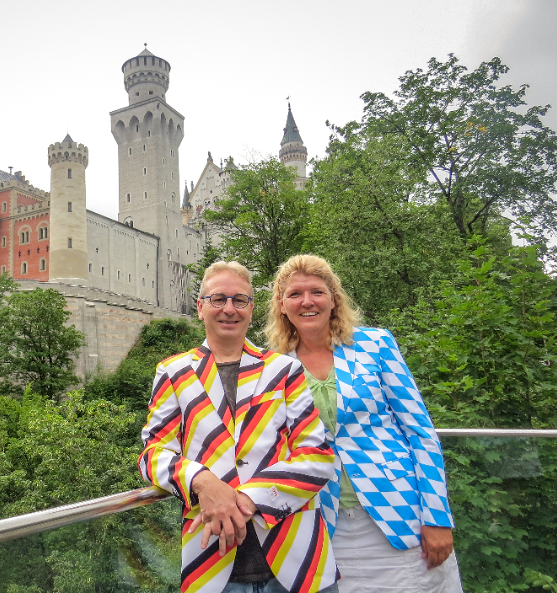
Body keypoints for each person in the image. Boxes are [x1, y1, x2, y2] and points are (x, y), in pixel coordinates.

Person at [265, 254, 462, 593]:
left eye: (317, 292)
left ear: (333, 299)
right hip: (324, 524)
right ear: (282, 305)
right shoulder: (275, 366)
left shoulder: (376, 344)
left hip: (400, 516)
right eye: (295, 294)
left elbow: (420, 432)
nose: (307, 301)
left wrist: (437, 517)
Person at [140, 261, 339, 593]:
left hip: (298, 558)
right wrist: (202, 481)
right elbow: (152, 454)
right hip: (212, 565)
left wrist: (242, 500)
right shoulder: (173, 372)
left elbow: (317, 455)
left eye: (239, 300)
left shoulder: (284, 369)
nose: (229, 309)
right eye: (218, 299)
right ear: (200, 307)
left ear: (250, 309)